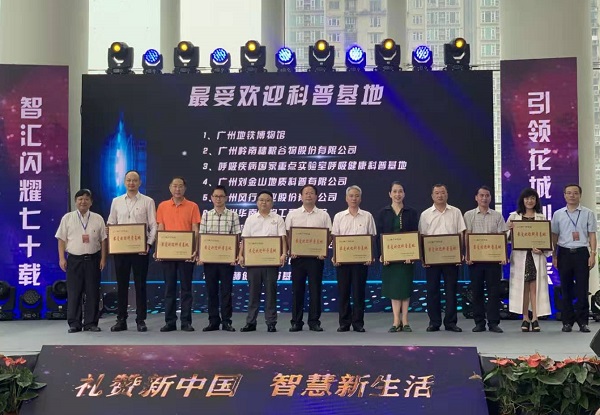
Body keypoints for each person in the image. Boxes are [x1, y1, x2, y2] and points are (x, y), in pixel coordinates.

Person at [107, 170, 157, 333]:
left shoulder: (148, 201)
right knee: (121, 285)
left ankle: (140, 320)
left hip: (140, 251)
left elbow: (153, 225)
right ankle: (121, 319)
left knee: (140, 285)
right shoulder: (116, 201)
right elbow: (111, 222)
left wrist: (148, 244)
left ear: (140, 182)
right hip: (121, 250)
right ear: (124, 182)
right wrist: (112, 236)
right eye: (128, 180)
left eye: (134, 180)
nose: (131, 183)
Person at [55, 189, 107, 333]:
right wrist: (61, 258)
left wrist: (103, 259)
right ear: (75, 201)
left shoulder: (98, 218)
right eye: (80, 199)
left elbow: (103, 240)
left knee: (92, 292)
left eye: (86, 199)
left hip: (93, 259)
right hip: (74, 260)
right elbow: (61, 239)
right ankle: (74, 323)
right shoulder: (67, 218)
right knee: (74, 292)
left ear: (91, 202)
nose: (83, 202)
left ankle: (91, 323)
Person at [418, 184, 466, 333]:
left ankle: (451, 322)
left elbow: (461, 234)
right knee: (432, 291)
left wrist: (460, 252)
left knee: (451, 290)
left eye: (443, 192)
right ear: (432, 196)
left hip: (451, 258)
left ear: (447, 194)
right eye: (437, 193)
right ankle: (434, 322)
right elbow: (422, 237)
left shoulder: (456, 212)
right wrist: (423, 257)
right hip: (432, 259)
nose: (440, 195)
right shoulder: (425, 214)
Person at [285, 184, 332, 332]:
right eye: (306, 193)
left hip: (316, 259)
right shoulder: (293, 215)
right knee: (297, 290)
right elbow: (287, 235)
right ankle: (296, 322)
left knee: (315, 290)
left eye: (311, 193)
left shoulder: (323, 215)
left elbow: (329, 235)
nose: (309, 195)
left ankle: (314, 321)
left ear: (316, 196)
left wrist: (323, 249)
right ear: (301, 196)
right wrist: (291, 249)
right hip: (297, 258)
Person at [156, 177, 200, 332]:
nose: (177, 189)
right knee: (169, 288)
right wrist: (159, 249)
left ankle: (186, 322)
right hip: (168, 253)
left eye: (180, 186)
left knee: (186, 289)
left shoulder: (193, 206)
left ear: (185, 188)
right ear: (170, 188)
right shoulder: (162, 206)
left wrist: (195, 249)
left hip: (186, 253)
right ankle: (170, 322)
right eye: (174, 186)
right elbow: (160, 228)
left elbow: (195, 229)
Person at [238, 190, 286, 333]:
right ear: (257, 202)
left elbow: (283, 238)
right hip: (254, 262)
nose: (264, 202)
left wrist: (284, 254)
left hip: (271, 262)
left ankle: (271, 322)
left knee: (271, 293)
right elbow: (245, 239)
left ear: (272, 203)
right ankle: (250, 322)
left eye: (267, 200)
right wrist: (240, 255)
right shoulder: (251, 219)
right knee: (253, 293)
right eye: (261, 200)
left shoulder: (278, 219)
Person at [551, 184, 597, 333]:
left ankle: (583, 322)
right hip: (564, 253)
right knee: (566, 289)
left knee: (583, 288)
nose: (572, 195)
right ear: (564, 195)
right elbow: (554, 236)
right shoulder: (558, 214)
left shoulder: (588, 213)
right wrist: (554, 255)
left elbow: (592, 234)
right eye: (569, 193)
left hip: (582, 253)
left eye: (575, 193)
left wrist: (593, 253)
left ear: (580, 195)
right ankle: (567, 322)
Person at [332, 185, 376, 333]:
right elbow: (335, 238)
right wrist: (335, 256)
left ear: (360, 198)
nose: (354, 198)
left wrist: (370, 256)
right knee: (343, 292)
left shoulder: (367, 216)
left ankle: (358, 323)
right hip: (343, 262)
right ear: (346, 198)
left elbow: (371, 238)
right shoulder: (339, 216)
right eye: (351, 196)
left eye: (357, 196)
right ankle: (344, 323)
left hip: (360, 262)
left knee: (359, 292)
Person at [463, 186, 507, 333]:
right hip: (475, 260)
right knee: (477, 291)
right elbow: (467, 236)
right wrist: (468, 254)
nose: (484, 198)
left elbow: (502, 237)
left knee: (494, 292)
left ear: (490, 198)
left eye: (487, 195)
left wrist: (502, 255)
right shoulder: (469, 215)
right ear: (476, 197)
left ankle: (493, 322)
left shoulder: (497, 216)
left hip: (493, 261)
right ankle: (479, 322)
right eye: (481, 195)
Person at [376, 182, 419, 333]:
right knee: (394, 288)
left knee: (405, 288)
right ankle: (396, 320)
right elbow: (379, 236)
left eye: (400, 191)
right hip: (390, 257)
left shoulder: (411, 212)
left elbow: (415, 234)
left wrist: (412, 254)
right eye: (394, 191)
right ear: (390, 194)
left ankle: (405, 320)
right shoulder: (383, 212)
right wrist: (382, 254)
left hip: (407, 257)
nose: (397, 194)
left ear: (404, 194)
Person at [197, 185, 241, 332]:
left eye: (221, 196)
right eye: (216, 196)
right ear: (211, 198)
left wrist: (235, 255)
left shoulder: (233, 215)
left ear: (226, 198)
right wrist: (201, 255)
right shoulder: (206, 215)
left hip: (227, 261)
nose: (218, 199)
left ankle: (227, 321)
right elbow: (202, 237)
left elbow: (237, 238)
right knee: (211, 291)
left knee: (226, 291)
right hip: (209, 261)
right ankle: (213, 321)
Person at [507, 188, 551, 332]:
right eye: (527, 198)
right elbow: (506, 238)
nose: (529, 201)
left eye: (532, 198)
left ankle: (535, 318)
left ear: (536, 200)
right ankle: (525, 318)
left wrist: (542, 249)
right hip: (520, 257)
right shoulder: (514, 217)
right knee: (523, 288)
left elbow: (547, 240)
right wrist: (510, 230)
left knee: (535, 287)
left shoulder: (541, 218)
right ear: (522, 200)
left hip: (535, 256)